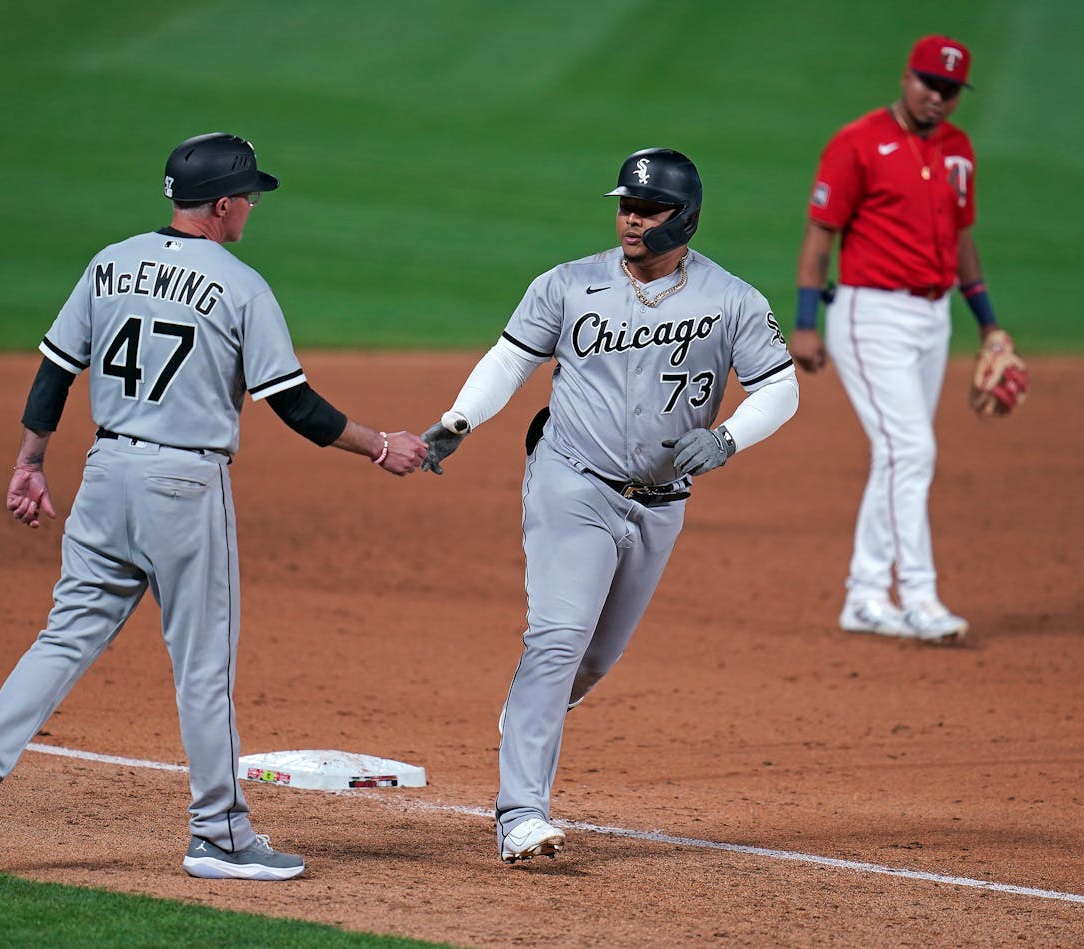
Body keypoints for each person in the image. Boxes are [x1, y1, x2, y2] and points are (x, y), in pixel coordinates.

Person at [0, 132, 428, 881]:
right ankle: (219, 832)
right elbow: (293, 404)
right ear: (222, 204)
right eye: (248, 197)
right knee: (203, 661)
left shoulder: (111, 260)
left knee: (65, 636)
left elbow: (55, 371)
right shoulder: (240, 284)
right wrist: (380, 444)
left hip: (105, 474)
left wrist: (31, 460)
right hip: (183, 487)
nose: (252, 208)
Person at [420, 148, 799, 862]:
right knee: (558, 636)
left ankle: (536, 702)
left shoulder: (733, 300)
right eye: (625, 204)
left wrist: (727, 437)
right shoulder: (568, 285)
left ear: (684, 217)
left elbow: (781, 387)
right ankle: (520, 812)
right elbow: (510, 359)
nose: (631, 217)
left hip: (660, 503)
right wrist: (460, 419)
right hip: (573, 479)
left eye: (648, 208)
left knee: (593, 658)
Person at [790, 35, 1005, 643]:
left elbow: (963, 239)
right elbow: (819, 234)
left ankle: (863, 596)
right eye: (929, 84)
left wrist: (987, 322)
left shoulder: (960, 151)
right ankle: (918, 596)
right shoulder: (857, 142)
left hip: (935, 318)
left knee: (898, 454)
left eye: (950, 91)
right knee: (912, 451)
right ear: (907, 78)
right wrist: (805, 322)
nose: (938, 98)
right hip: (870, 314)